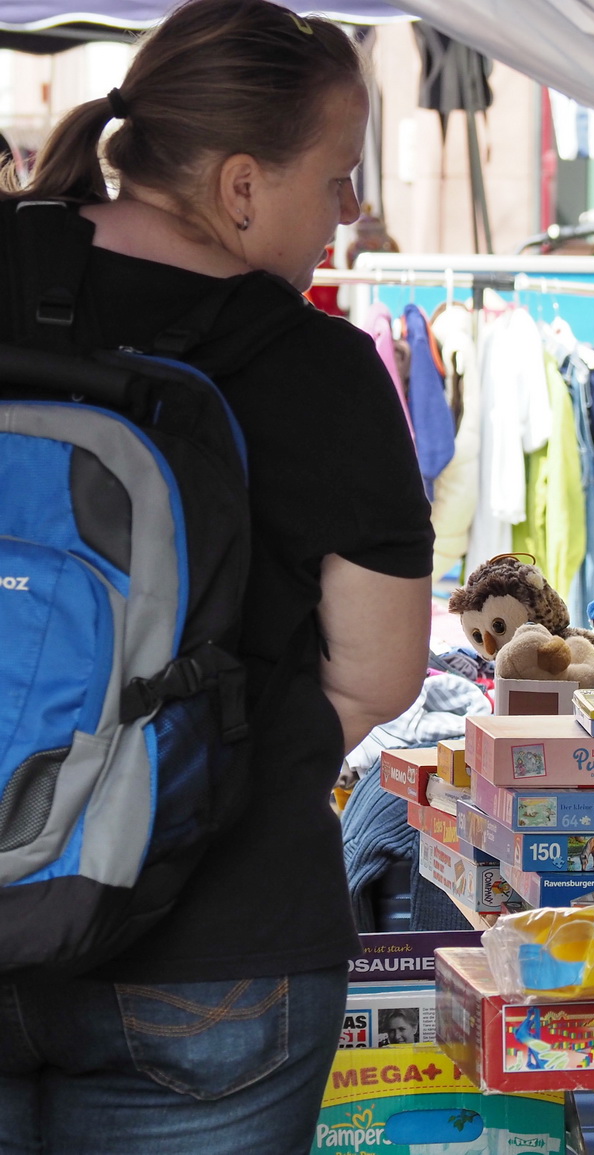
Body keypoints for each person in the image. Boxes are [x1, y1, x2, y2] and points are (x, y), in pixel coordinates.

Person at [0, 2, 433, 1151]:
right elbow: (382, 677)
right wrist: (188, 764)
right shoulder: (322, 369)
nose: (348, 208)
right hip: (220, 943)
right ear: (243, 185)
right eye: (339, 174)